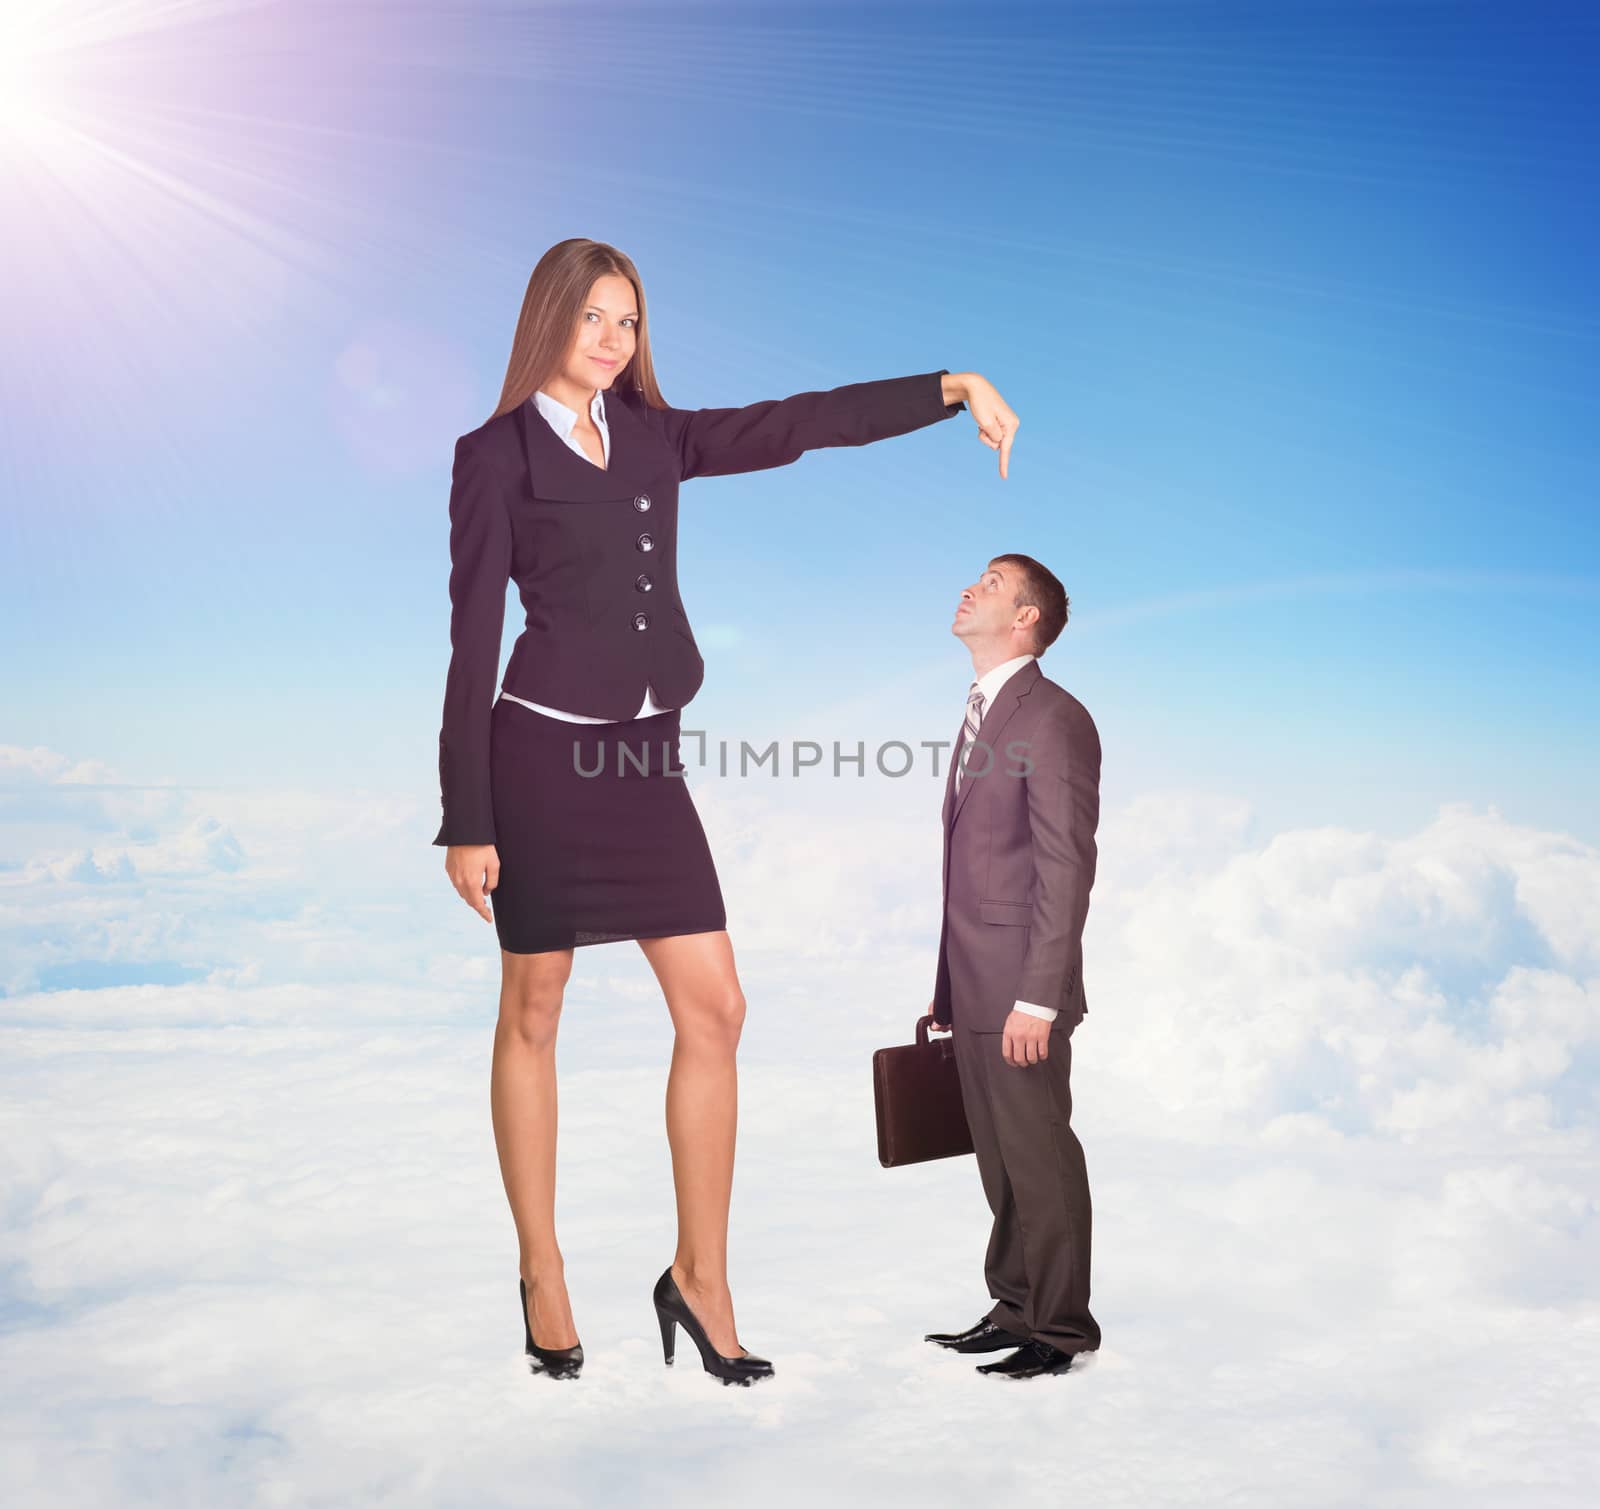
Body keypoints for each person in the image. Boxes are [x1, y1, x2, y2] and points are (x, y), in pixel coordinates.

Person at [431, 237, 1021, 1384]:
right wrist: (468, 816)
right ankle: (541, 1270)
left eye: (630, 322)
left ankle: (698, 1276)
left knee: (718, 1010)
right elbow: (467, 647)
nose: (613, 341)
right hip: (540, 763)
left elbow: (798, 423)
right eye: (594, 317)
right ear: (546, 320)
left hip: (645, 767)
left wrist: (951, 390)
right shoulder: (490, 456)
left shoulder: (657, 437)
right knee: (536, 1011)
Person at [923, 553, 1102, 1378]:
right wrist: (950, 990)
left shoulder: (1053, 717)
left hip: (1023, 985)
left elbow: (1066, 866)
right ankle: (1017, 1303)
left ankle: (1061, 1329)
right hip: (975, 978)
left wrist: (1040, 995)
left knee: (1038, 1154)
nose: (970, 587)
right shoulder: (983, 711)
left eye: (991, 582)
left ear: (1027, 617)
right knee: (998, 1157)